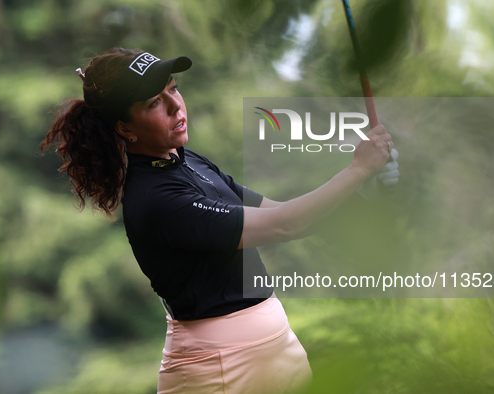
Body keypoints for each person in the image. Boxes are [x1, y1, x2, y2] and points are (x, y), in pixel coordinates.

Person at [41, 47, 397, 394]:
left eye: (173, 89)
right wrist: (358, 169)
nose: (175, 106)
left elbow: (279, 211)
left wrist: (361, 190)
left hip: (277, 348)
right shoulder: (154, 199)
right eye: (154, 102)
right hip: (218, 369)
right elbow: (284, 226)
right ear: (124, 127)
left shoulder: (187, 160)